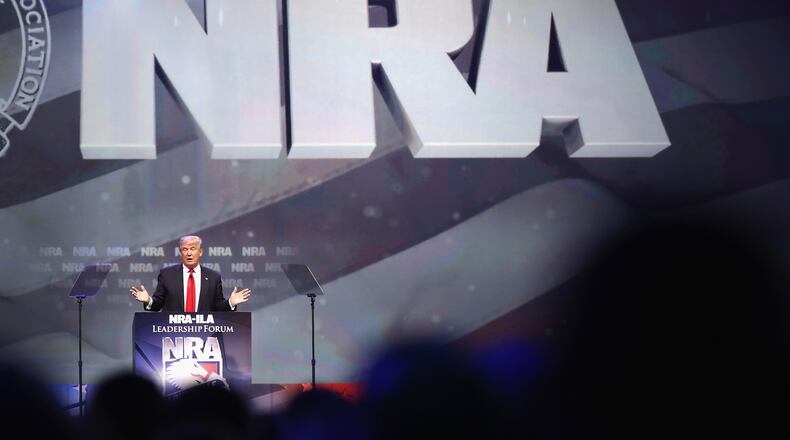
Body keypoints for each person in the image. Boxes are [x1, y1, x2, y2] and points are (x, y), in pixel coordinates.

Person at [130, 235, 250, 312]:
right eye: (185, 249)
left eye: (192, 249)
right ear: (180, 252)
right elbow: (158, 304)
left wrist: (230, 303)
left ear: (200, 252)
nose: (189, 253)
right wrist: (148, 300)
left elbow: (217, 307)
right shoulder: (167, 275)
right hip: (173, 334)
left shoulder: (213, 277)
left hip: (203, 335)